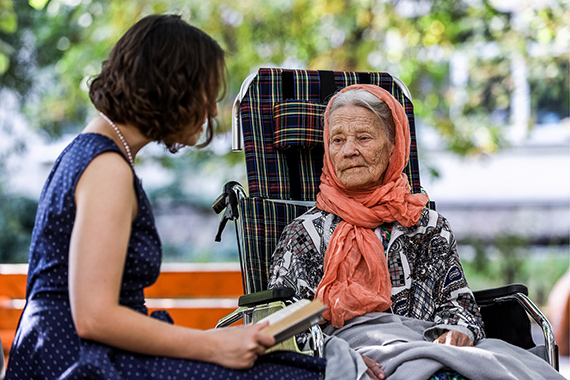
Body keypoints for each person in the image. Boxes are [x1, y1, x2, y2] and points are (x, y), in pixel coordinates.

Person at [5, 15, 325, 380]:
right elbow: (94, 317)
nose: (210, 111)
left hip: (71, 349)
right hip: (76, 361)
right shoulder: (108, 168)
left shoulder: (98, 152)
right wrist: (217, 345)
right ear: (172, 88)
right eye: (205, 92)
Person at [269, 84, 485, 380]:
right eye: (338, 139)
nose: (349, 151)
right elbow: (284, 326)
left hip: (426, 352)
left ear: (393, 145)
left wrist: (457, 331)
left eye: (364, 137)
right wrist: (340, 357)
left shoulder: (427, 227)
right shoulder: (304, 234)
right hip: (347, 358)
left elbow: (457, 303)